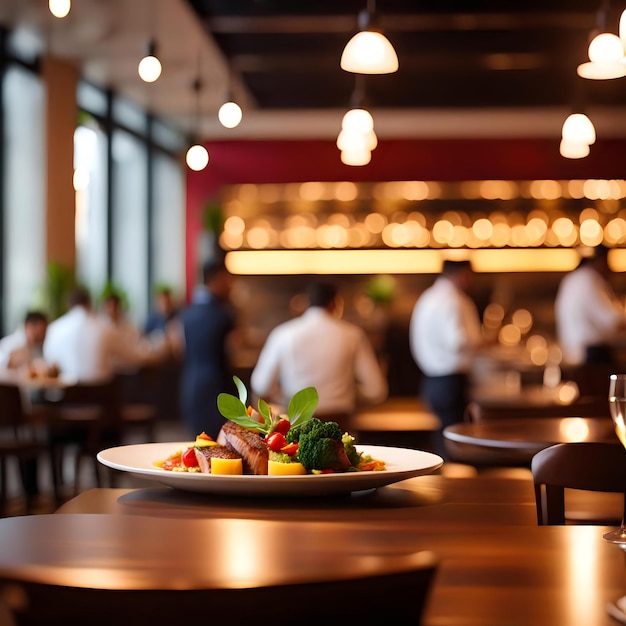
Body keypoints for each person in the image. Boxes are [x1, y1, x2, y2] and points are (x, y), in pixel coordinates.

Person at [250, 282, 388, 434]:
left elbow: (261, 384)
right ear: (335, 303)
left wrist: (283, 398)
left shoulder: (284, 334)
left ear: (306, 303)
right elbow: (377, 391)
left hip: (297, 426)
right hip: (340, 427)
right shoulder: (353, 335)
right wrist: (350, 394)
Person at [409, 260, 483, 458]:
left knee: (444, 439)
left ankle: (449, 482)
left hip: (432, 381)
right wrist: (488, 342)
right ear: (462, 273)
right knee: (456, 442)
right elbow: (459, 341)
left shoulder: (428, 297)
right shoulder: (453, 299)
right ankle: (458, 486)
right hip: (451, 381)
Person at [43, 287, 162, 383]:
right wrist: (154, 355)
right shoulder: (105, 328)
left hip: (65, 401)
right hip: (102, 400)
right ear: (90, 303)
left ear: (68, 305)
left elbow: (50, 363)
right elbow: (134, 356)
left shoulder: (54, 329)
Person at [173, 260, 236, 439]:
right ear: (216, 280)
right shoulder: (224, 315)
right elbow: (234, 348)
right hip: (218, 387)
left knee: (199, 444)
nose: (229, 284)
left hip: (191, 386)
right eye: (226, 279)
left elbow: (179, 348)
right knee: (222, 448)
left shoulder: (185, 313)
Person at [555, 245, 626, 368]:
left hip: (573, 354)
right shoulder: (590, 279)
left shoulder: (573, 279)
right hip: (590, 356)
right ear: (601, 261)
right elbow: (614, 322)